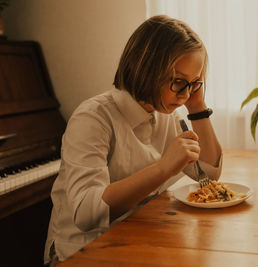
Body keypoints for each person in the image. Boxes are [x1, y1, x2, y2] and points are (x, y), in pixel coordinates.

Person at [44, 15, 222, 265]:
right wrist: (162, 169)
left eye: (194, 83)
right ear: (147, 69)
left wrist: (198, 107)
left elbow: (209, 173)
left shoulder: (166, 112)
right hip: (83, 252)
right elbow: (86, 213)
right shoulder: (93, 118)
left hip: (137, 236)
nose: (185, 94)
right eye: (179, 82)